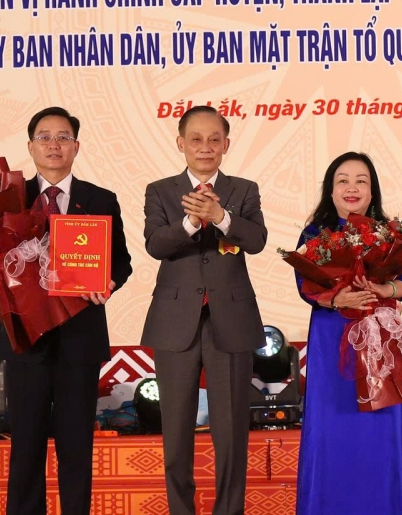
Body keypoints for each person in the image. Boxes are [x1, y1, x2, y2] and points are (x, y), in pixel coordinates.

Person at [0, 106, 132, 515]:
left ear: (76, 146)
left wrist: (108, 281)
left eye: (63, 137)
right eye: (45, 137)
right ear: (31, 146)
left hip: (80, 338)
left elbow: (120, 262)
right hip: (24, 339)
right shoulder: (8, 199)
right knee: (26, 446)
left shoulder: (100, 199)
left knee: (77, 447)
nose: (54, 144)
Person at [141, 105, 267, 515]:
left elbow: (257, 240)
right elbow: (156, 244)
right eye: (196, 139)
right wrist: (193, 222)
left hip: (230, 320)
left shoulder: (243, 190)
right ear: (181, 143)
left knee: (231, 434)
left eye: (215, 139)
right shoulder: (160, 190)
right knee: (176, 433)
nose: (205, 147)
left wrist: (222, 217)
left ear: (226, 144)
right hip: (175, 321)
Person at [295, 152, 402, 515]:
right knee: (330, 429)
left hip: (379, 336)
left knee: (379, 427)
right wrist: (337, 298)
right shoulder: (315, 234)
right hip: (331, 337)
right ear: (330, 190)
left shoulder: (389, 233)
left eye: (361, 181)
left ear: (372, 190)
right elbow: (304, 283)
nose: (351, 188)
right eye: (343, 180)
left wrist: (388, 289)